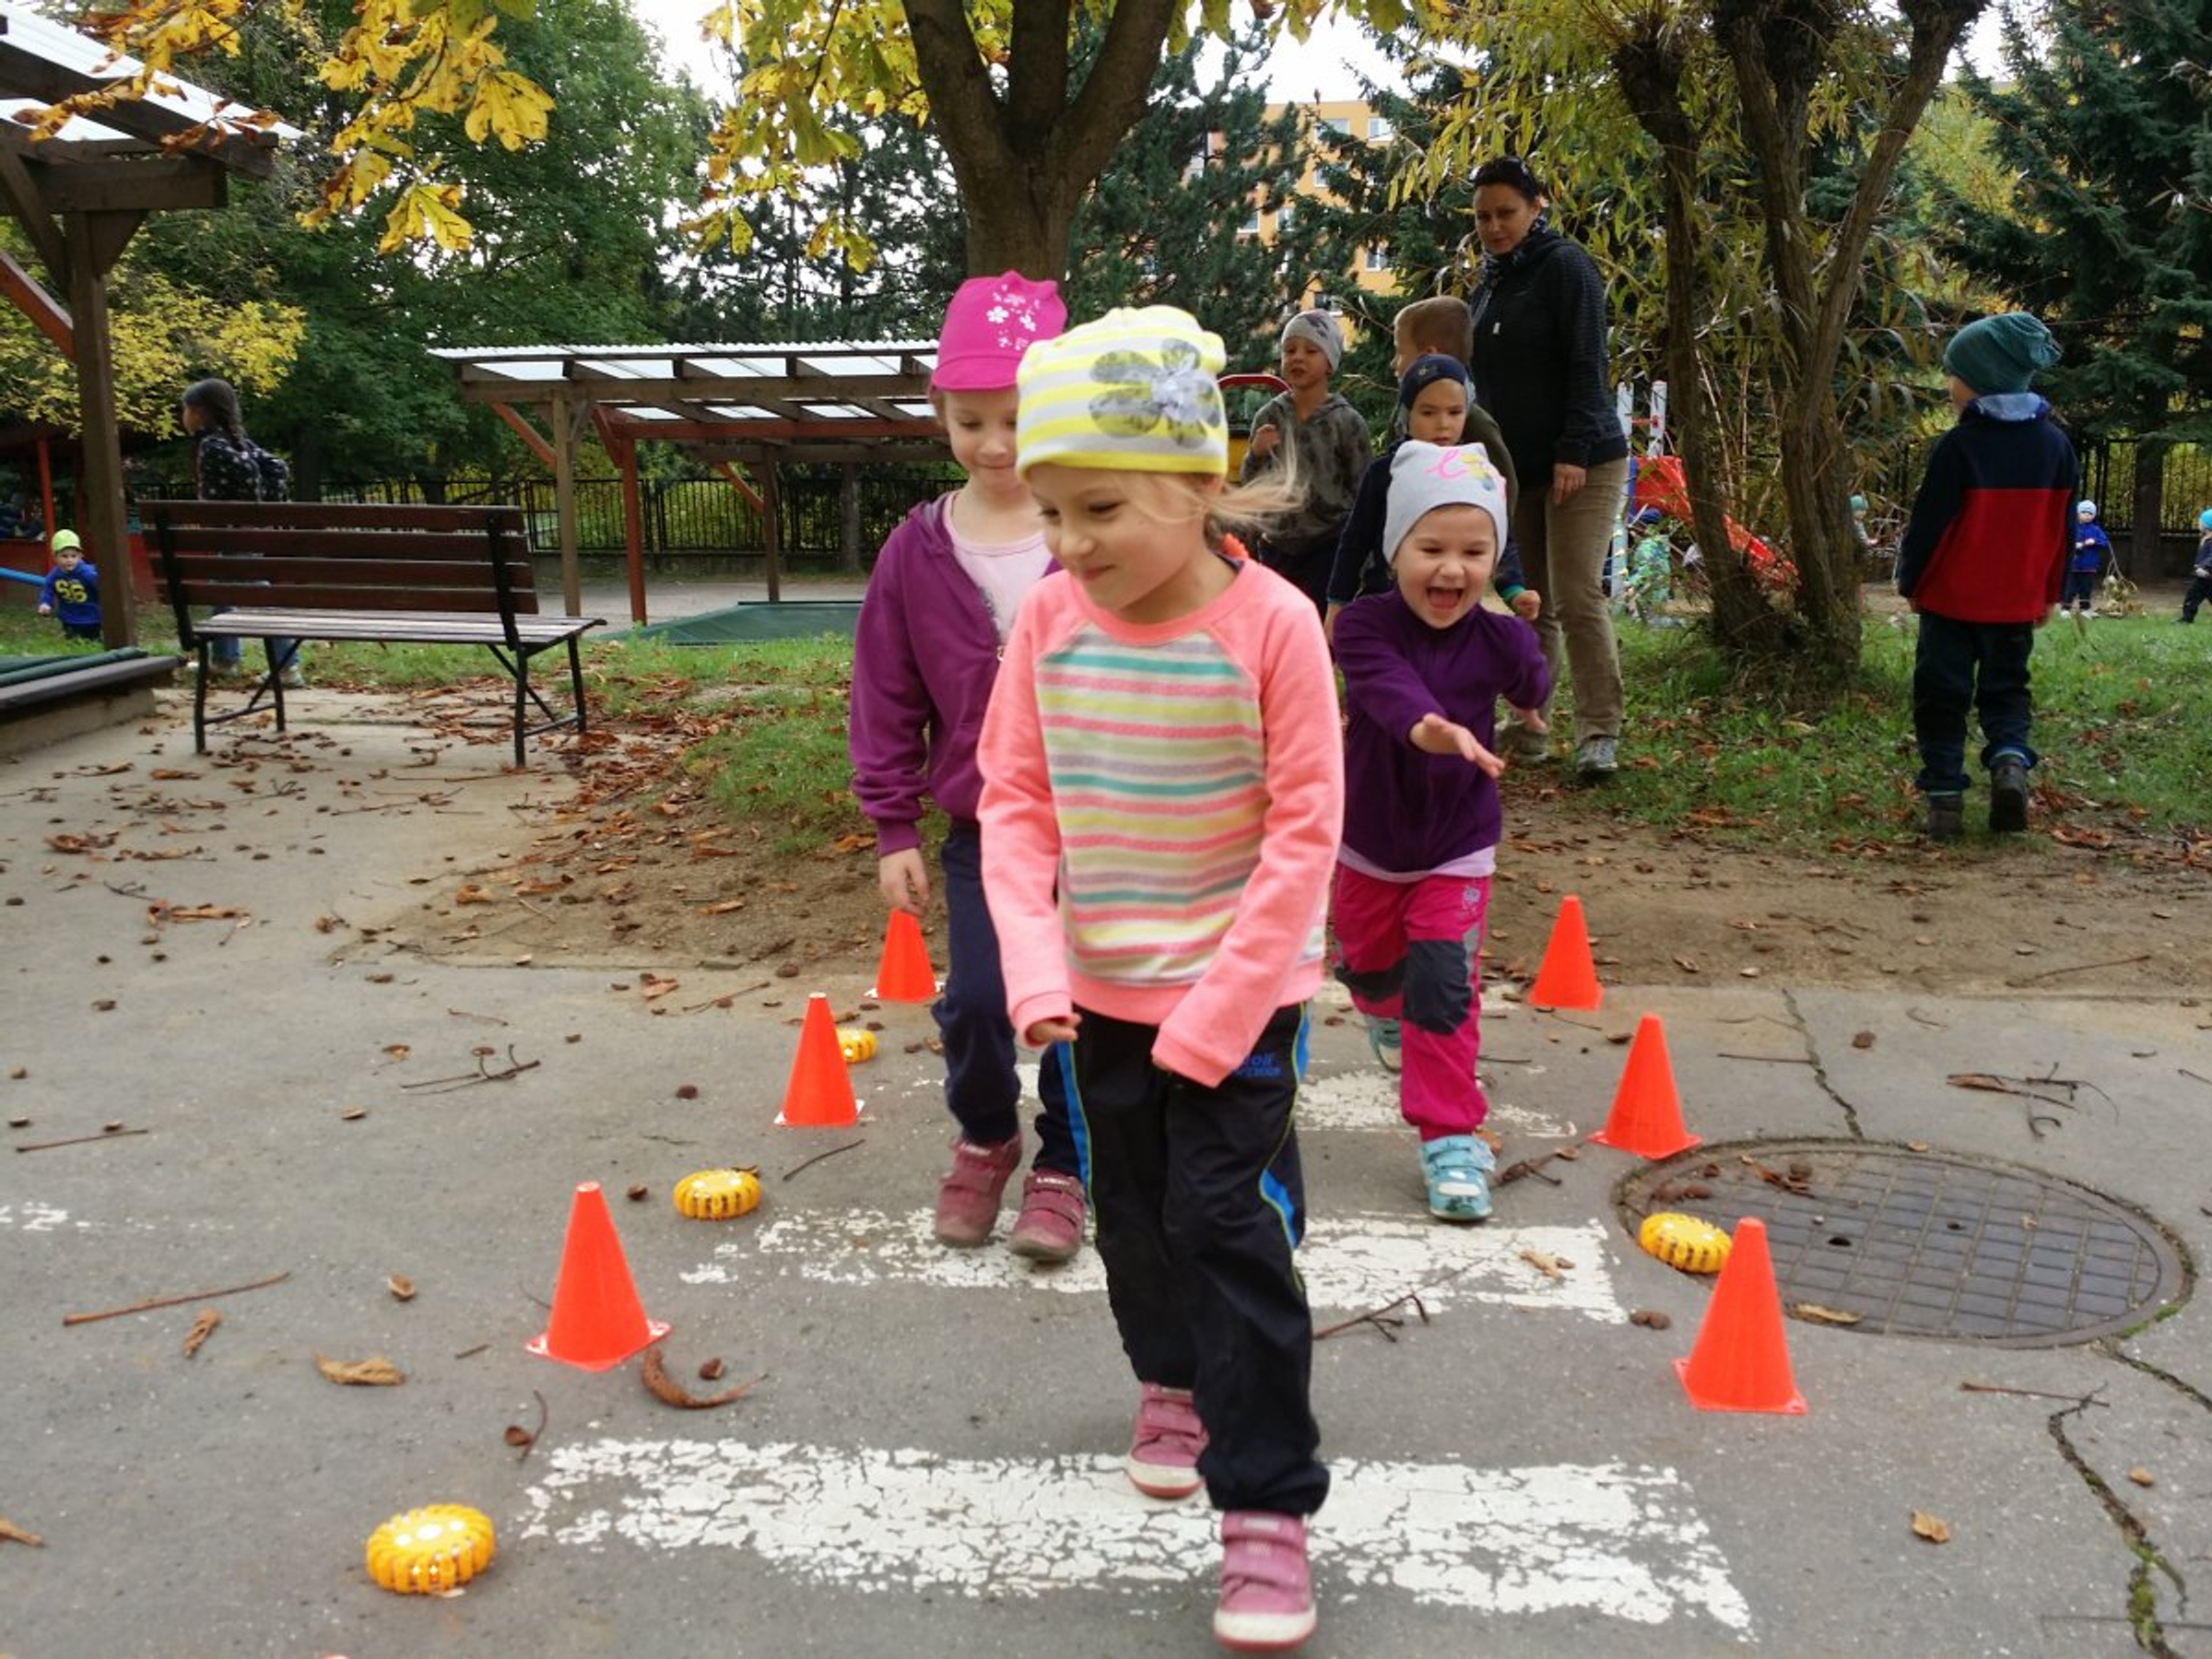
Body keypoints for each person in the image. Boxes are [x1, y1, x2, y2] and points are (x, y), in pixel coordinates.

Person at [982, 305, 1340, 1653]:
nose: (1069, 545)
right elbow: (1011, 803)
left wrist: (1224, 1007)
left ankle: (1265, 1508)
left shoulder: (1276, 629)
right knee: (1133, 1221)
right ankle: (1169, 1380)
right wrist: (1030, 966)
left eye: (1101, 510)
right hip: (1095, 1002)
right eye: (1052, 512)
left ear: (1198, 488)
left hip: (1241, 1002)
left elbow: (1306, 835)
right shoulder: (1049, 624)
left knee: (1224, 1222)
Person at [847, 272, 1088, 1263]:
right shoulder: (917, 550)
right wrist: (891, 826)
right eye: (973, 419)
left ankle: (1067, 1164)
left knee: (1081, 1010)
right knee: (984, 1001)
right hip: (986, 828)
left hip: (1105, 824)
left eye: (1020, 419)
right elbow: (885, 692)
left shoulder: (1095, 531)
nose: (997, 444)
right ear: (941, 414)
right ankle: (988, 1135)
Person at [1332, 442, 1550, 1223]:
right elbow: (1388, 693)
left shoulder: (1499, 638)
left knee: (1442, 988)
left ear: (1496, 555)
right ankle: (1378, 1001)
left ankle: (1452, 1137)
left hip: (1458, 842)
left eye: (1473, 550)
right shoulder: (1362, 625)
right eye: (1431, 549)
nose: (1452, 570)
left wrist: (1529, 690)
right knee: (1370, 969)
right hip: (1368, 836)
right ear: (1395, 550)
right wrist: (1436, 729)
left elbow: (1533, 678)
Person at [1465, 157, 1630, 780]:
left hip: (1583, 460)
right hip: (1518, 467)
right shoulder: (1489, 284)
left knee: (1579, 591)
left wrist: (1573, 450)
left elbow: (1590, 366)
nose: (1494, 225)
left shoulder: (1565, 267)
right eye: (1483, 216)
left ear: (1538, 206)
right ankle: (1531, 724)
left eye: (1506, 212)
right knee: (1535, 602)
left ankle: (1599, 733)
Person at [1894, 313, 2075, 840]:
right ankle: (2011, 765)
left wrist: (1912, 583)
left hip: (1951, 601)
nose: (1948, 383)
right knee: (2007, 691)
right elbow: (2060, 530)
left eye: (1953, 373)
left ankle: (1945, 799)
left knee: (1941, 694)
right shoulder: (2056, 447)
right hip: (2015, 601)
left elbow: (1929, 527)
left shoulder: (1958, 448)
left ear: (1978, 379)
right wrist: (2050, 593)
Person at [1324, 355, 1540, 634]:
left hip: (1450, 606)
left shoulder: (1476, 471)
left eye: (1454, 412)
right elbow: (1355, 539)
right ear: (1406, 413)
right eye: (1428, 412)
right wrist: (1336, 603)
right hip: (1388, 607)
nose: (1442, 424)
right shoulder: (1385, 472)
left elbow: (1500, 539)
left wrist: (1514, 590)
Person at [1238, 307, 1371, 612]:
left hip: (1329, 546)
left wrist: (1363, 557)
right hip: (1277, 545)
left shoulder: (1347, 422)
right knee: (1277, 622)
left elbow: (1364, 492)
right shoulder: (1268, 417)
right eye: (1289, 350)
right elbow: (1252, 486)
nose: (1298, 357)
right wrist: (1255, 455)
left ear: (1330, 364)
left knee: (1318, 627)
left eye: (1311, 350)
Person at [181, 378, 301, 688]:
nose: (184, 416)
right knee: (223, 588)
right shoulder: (238, 443)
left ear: (199, 412)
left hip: (231, 535)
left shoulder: (212, 445)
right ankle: (224, 659)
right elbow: (278, 468)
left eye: (186, 409)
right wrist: (264, 508)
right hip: (242, 535)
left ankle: (286, 666)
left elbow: (248, 472)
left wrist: (248, 508)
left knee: (257, 594)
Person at [35, 529, 100, 641]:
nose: (69, 560)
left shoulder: (87, 573)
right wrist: (45, 603)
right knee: (73, 642)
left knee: (92, 642)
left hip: (92, 617)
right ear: (55, 557)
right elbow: (48, 590)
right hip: (69, 618)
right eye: (64, 556)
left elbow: (102, 587)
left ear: (80, 556)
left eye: (73, 556)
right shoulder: (55, 575)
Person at [2064, 500, 2110, 618]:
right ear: (2078, 513)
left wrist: (2095, 541)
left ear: (2093, 515)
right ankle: (2066, 608)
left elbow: (2105, 542)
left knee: (2086, 589)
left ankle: (2085, 608)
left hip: (2089, 566)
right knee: (2070, 588)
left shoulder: (2096, 530)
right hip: (2073, 565)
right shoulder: (2072, 528)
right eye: (2084, 512)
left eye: (2090, 513)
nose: (2087, 515)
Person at [2183, 509, 2212, 623]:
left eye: (2200, 521)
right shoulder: (2206, 540)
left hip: (2207, 575)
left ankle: (2187, 619)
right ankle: (2187, 618)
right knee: (2192, 596)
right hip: (2204, 577)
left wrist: (2205, 567)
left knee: (2192, 595)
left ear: (2208, 525)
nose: (2198, 523)